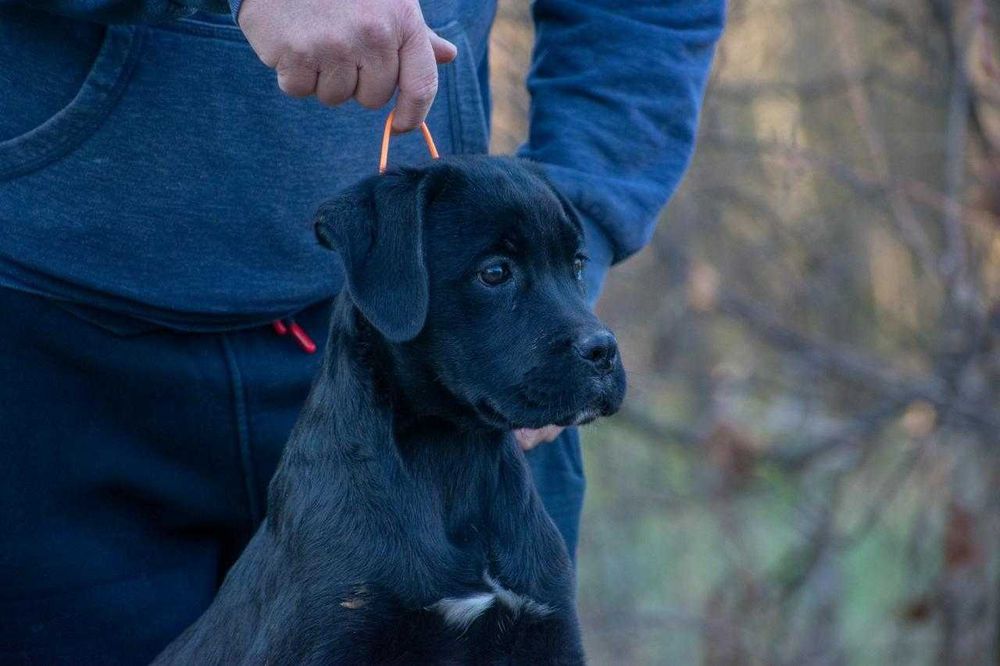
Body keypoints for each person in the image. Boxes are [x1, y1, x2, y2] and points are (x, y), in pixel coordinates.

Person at [0, 0, 724, 662]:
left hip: (433, 354)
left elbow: (649, 14)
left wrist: (574, 219)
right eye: (505, 272)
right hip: (59, 338)